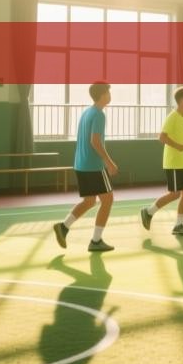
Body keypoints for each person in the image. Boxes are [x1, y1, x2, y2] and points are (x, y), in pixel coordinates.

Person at [53, 82, 119, 252]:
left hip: (81, 165)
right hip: (94, 166)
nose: (110, 95)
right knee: (108, 199)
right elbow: (95, 141)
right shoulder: (99, 115)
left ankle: (63, 227)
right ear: (102, 95)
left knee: (89, 201)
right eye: (108, 92)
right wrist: (109, 162)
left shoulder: (87, 112)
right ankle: (96, 241)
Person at [140, 86, 183, 236]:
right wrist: (177, 146)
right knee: (175, 194)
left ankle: (179, 225)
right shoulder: (173, 117)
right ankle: (148, 212)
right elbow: (162, 137)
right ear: (182, 101)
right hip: (173, 162)